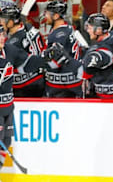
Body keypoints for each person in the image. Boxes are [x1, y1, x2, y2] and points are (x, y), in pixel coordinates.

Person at [0, 24, 66, 168]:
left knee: (5, 142)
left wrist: (46, 58)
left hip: (7, 107)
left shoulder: (9, 51)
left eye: (3, 34)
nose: (3, 38)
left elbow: (28, 63)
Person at [0, 5, 46, 97]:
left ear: (11, 22)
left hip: (25, 85)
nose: (1, 22)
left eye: (3, 20)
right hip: (39, 79)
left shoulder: (12, 43)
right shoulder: (29, 27)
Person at [44, 0, 83, 97]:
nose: (45, 16)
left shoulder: (58, 36)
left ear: (56, 16)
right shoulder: (68, 28)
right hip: (73, 81)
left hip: (62, 86)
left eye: (47, 13)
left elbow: (55, 59)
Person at [82, 13, 113, 98]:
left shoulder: (104, 48)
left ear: (99, 30)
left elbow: (92, 63)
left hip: (109, 96)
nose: (88, 30)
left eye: (90, 28)